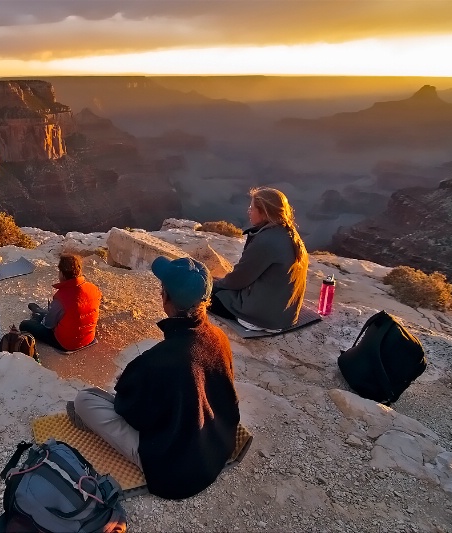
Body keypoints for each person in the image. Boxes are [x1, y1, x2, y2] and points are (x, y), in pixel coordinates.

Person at [68, 256, 242, 500]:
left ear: (166, 299)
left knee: (85, 400)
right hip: (218, 443)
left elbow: (131, 413)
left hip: (175, 468)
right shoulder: (218, 337)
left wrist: (134, 383)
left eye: (163, 290)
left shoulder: (157, 360)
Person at [210, 187, 309, 333]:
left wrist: (216, 285)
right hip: (285, 315)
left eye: (252, 208)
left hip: (260, 317)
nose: (248, 211)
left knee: (202, 294)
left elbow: (239, 279)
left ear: (265, 212)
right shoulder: (290, 234)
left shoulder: (266, 241)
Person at [20, 254, 101, 352]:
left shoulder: (61, 297)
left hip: (67, 343)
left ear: (62, 274)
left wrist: (42, 320)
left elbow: (49, 325)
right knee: (57, 313)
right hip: (88, 338)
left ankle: (38, 315)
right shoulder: (94, 288)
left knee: (25, 324)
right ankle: (40, 312)